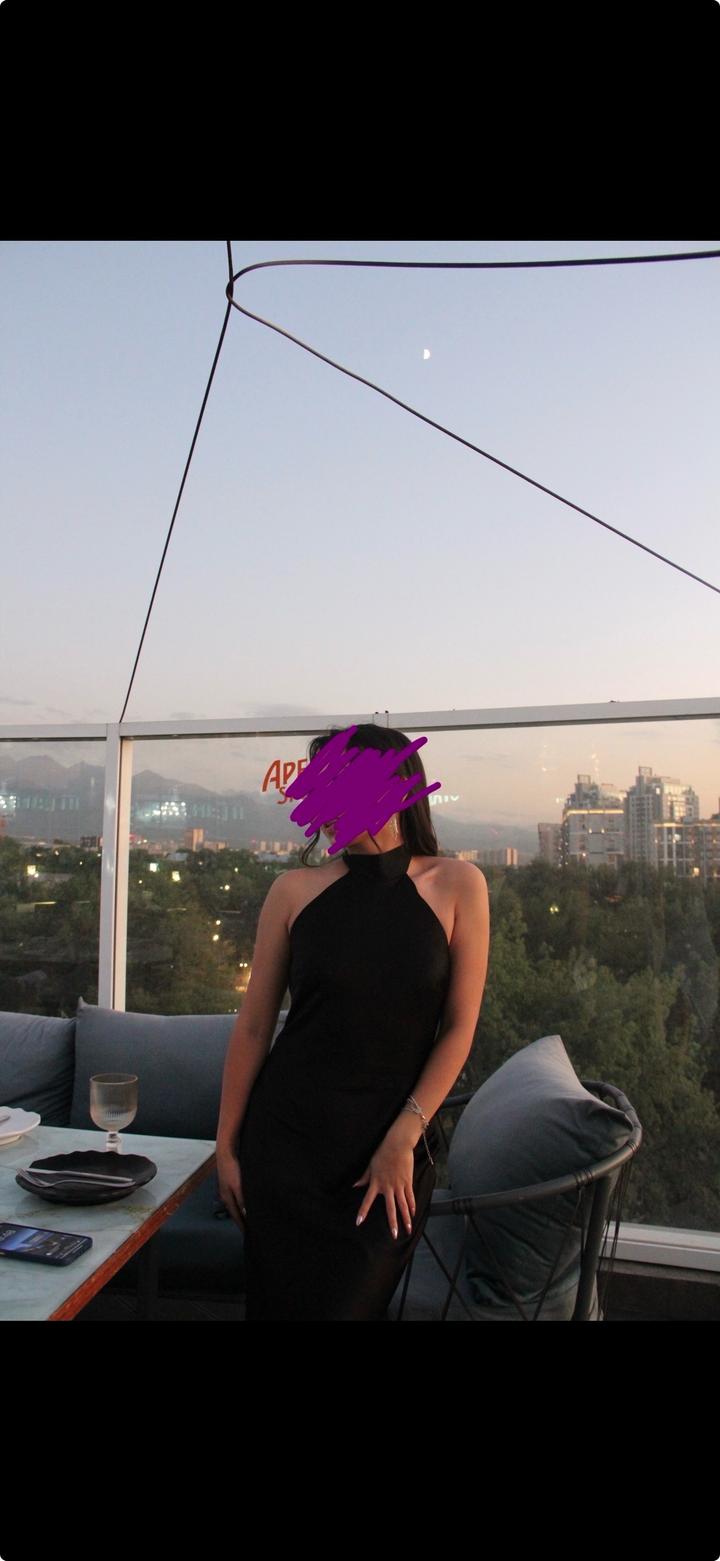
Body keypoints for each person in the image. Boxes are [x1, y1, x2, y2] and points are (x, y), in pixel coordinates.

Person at [216, 723, 490, 1320]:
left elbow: (459, 1028)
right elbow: (254, 1029)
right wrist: (227, 1148)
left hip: (389, 1155)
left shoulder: (458, 885)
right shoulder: (292, 891)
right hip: (285, 1149)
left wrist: (403, 1137)